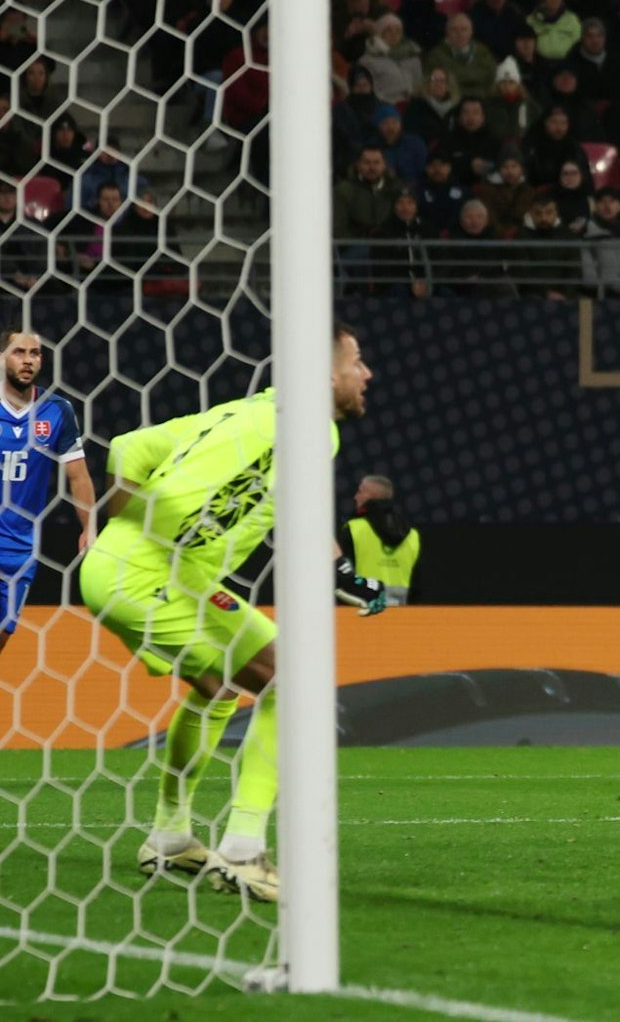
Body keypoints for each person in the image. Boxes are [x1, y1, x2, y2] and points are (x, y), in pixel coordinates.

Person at [80, 324, 388, 902]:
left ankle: (170, 837)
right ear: (325, 374)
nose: (366, 374)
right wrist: (149, 542)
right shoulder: (306, 427)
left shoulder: (246, 411)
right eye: (358, 360)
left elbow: (127, 447)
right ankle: (245, 849)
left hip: (146, 570)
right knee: (293, 682)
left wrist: (122, 530)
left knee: (216, 687)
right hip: (149, 574)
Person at [0, 330, 96, 659]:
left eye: (35, 354)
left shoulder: (56, 411)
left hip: (20, 546)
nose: (28, 360)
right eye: (18, 352)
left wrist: (89, 527)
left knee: (3, 632)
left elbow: (78, 475)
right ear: (2, 358)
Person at [344, 474, 420, 606]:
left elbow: (340, 578)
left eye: (360, 491)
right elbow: (420, 586)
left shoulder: (353, 529)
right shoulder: (412, 536)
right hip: (401, 617)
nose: (355, 497)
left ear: (371, 497)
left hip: (361, 616)